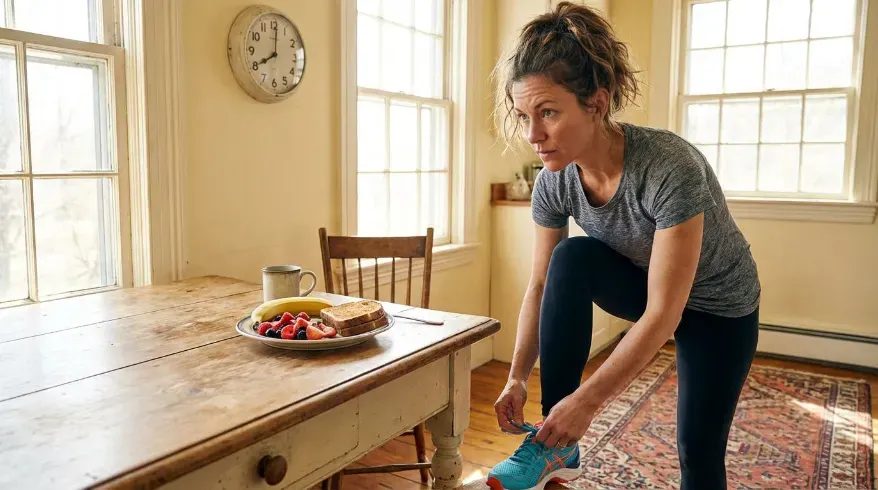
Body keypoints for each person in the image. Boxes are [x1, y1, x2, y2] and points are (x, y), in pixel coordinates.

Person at [486, 2, 761, 490]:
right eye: (524, 115)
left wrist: (589, 402)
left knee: (697, 453)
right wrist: (515, 376)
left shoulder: (668, 167)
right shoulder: (556, 179)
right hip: (647, 283)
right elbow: (542, 283)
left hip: (719, 307)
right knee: (567, 259)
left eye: (548, 112)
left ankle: (572, 425)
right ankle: (555, 444)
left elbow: (664, 314)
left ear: (597, 101)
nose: (533, 135)